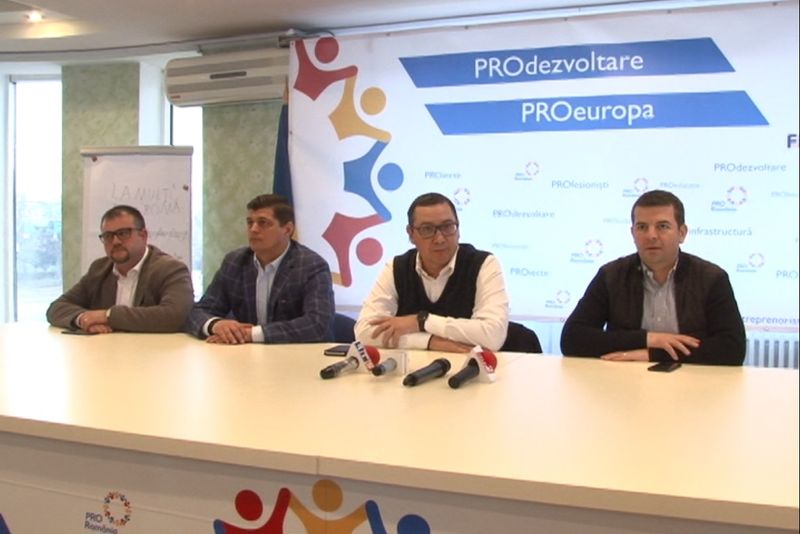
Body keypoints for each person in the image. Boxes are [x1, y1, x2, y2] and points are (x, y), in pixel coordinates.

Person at [560, 189, 746, 365]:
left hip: (692, 380)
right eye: (642, 227)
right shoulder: (611, 276)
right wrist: (649, 339)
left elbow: (732, 348)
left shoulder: (711, 278)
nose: (651, 236)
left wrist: (652, 354)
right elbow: (572, 338)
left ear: (682, 233)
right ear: (632, 233)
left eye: (662, 226)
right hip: (624, 379)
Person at [355, 192, 509, 352]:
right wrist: (428, 341)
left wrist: (422, 322)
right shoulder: (397, 267)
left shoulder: (483, 264)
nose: (440, 239)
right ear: (411, 234)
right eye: (427, 229)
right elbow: (364, 332)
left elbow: (493, 336)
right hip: (415, 366)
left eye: (447, 227)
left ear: (458, 229)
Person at [186, 194, 334, 344]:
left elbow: (316, 323)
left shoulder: (311, 266)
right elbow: (199, 311)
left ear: (287, 229)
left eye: (263, 223)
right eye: (250, 222)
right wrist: (215, 325)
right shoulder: (235, 262)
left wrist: (251, 334)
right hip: (246, 353)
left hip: (300, 354)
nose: (253, 229)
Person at [46, 205, 194, 333]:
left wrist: (108, 316)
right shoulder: (99, 269)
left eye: (123, 233)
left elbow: (175, 315)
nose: (115, 241)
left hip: (154, 353)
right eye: (108, 236)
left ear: (143, 235)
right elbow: (57, 308)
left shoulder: (170, 269)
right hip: (106, 352)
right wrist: (83, 320)